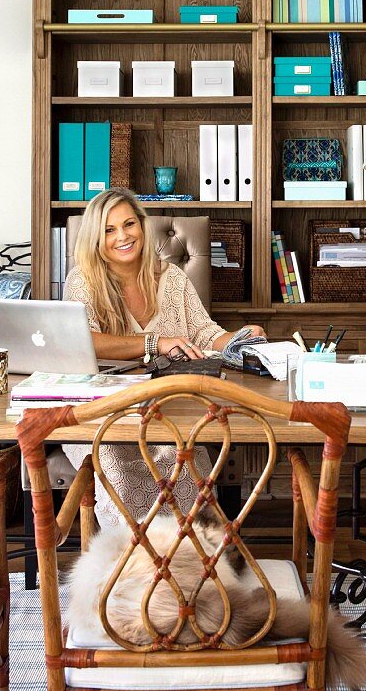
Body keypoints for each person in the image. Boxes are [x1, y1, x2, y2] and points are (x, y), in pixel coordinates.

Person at [63, 187, 266, 526]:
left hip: (167, 407)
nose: (123, 236)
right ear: (96, 238)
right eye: (109, 230)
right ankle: (132, 562)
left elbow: (203, 332)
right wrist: (154, 342)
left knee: (180, 458)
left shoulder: (171, 277)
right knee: (116, 462)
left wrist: (242, 338)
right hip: (102, 411)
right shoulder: (83, 279)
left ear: (142, 226)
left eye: (129, 224)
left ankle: (193, 557)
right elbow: (84, 341)